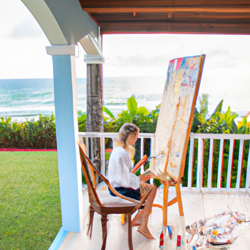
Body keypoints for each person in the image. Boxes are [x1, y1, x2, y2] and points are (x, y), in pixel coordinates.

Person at [108, 123, 157, 239]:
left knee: (144, 185)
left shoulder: (117, 150)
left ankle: (140, 217)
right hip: (121, 191)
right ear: (132, 137)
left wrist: (139, 179)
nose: (136, 139)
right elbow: (124, 179)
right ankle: (143, 224)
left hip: (114, 187)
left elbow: (123, 175)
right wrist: (140, 179)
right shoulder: (122, 152)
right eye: (136, 136)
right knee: (152, 189)